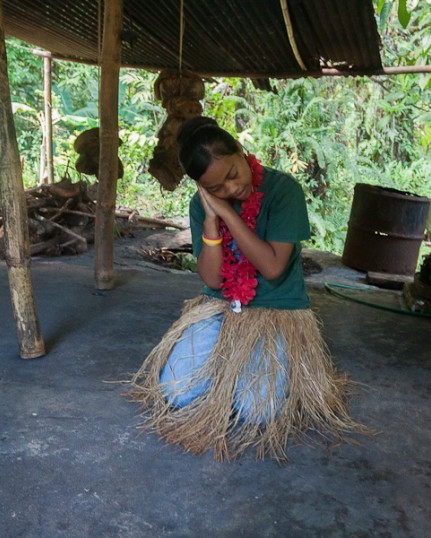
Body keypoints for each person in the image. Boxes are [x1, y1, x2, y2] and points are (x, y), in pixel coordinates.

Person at [128, 117, 366, 461]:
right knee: (177, 393)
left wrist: (228, 213)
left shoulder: (284, 190)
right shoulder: (201, 208)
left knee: (258, 410)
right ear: (201, 189)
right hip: (220, 307)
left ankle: (240, 370)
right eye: (216, 188)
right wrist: (212, 221)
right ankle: (228, 368)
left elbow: (271, 267)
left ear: (241, 151)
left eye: (233, 174)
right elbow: (212, 280)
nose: (231, 188)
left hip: (278, 311)